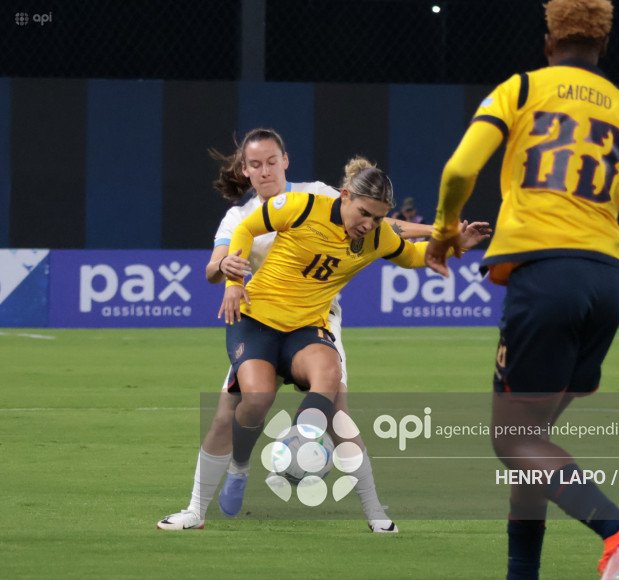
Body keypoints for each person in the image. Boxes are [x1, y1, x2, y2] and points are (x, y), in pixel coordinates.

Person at [425, 1, 619, 579]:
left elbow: (457, 172)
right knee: (531, 442)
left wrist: (445, 229)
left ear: (549, 42)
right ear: (602, 47)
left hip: (546, 275)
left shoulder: (521, 90)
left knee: (512, 442)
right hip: (607, 281)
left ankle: (618, 528)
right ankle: (523, 573)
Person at [157, 128, 488, 532]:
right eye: (364, 214)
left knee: (332, 387)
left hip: (310, 323)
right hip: (257, 318)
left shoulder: (369, 226)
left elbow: (411, 251)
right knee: (248, 406)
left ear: (285, 161)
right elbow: (241, 234)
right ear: (345, 197)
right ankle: (210, 496)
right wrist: (231, 282)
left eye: (377, 217)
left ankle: (357, 496)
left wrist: (454, 243)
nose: (369, 224)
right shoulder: (294, 206)